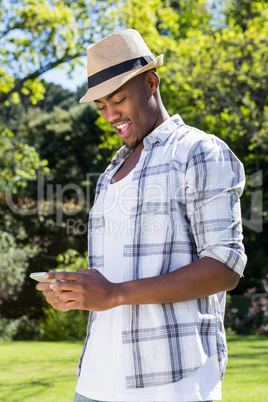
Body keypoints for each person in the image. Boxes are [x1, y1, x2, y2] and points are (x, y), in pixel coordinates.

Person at [37, 29, 247, 402]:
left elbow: (225, 266)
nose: (111, 115)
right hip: (93, 384)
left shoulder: (199, 151)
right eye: (101, 106)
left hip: (171, 383)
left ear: (151, 82)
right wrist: (76, 292)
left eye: (118, 99)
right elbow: (113, 278)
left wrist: (115, 294)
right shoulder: (109, 174)